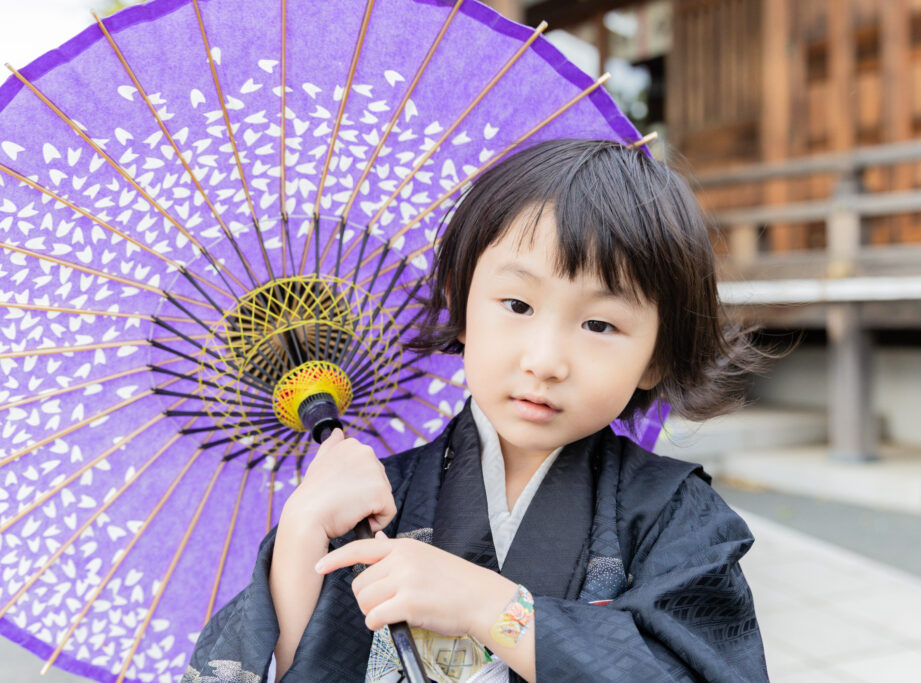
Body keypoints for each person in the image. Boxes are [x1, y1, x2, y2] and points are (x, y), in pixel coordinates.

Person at [184, 138, 770, 682]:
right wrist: (303, 530)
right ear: (461, 308)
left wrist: (492, 608)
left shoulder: (676, 514)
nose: (545, 361)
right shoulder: (371, 501)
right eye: (517, 303)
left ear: (656, 358)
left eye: (600, 323)